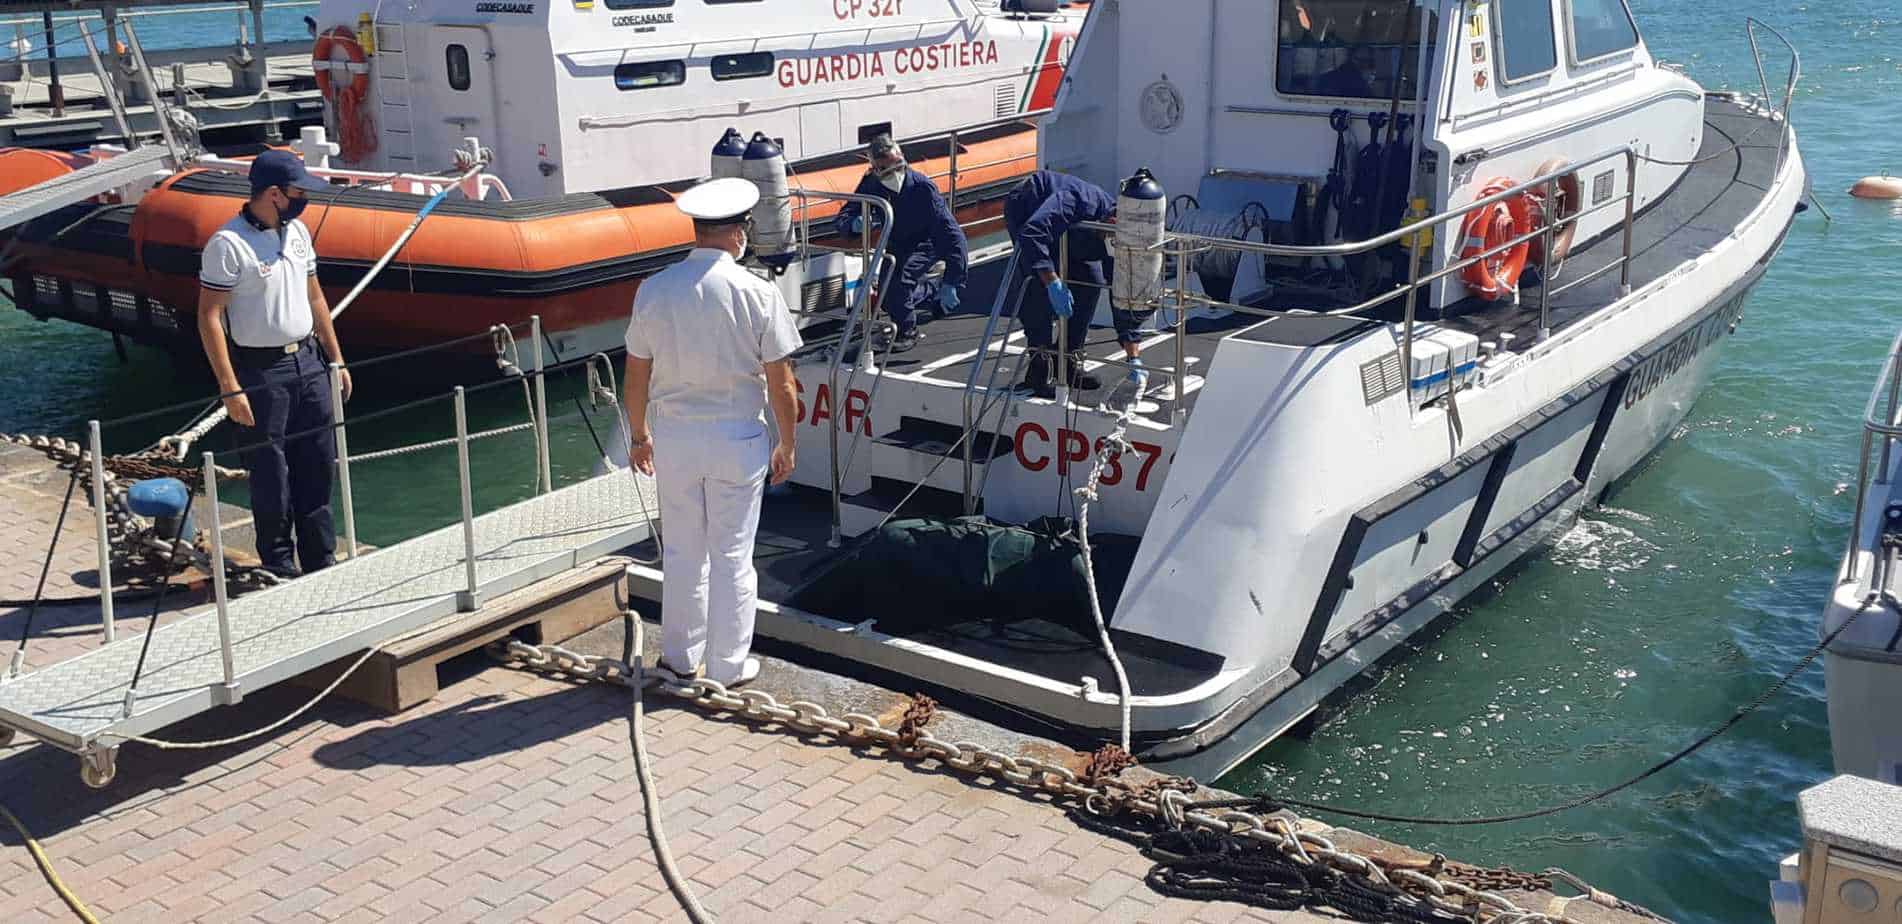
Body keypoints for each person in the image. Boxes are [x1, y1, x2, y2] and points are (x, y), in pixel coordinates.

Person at [623, 177, 803, 689]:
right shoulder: (758, 293)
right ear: (739, 233)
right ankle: (728, 666)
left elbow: (636, 374)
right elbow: (781, 383)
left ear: (697, 230)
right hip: (736, 441)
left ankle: (680, 659)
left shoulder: (654, 290)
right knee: (732, 555)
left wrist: (638, 436)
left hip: (674, 440)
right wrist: (787, 444)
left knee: (683, 553)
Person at [196, 149, 347, 579]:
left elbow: (315, 296)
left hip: (309, 363)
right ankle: (279, 566)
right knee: (271, 477)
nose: (305, 200)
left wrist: (336, 358)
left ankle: (321, 560)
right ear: (275, 194)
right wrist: (230, 388)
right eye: (299, 192)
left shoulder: (297, 232)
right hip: (262, 372)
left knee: (318, 466)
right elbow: (209, 316)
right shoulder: (228, 245)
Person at [1004, 170, 1150, 399]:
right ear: (1111, 222)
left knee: (1092, 282)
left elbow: (1119, 291)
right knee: (1037, 284)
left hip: (1070, 234)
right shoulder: (1078, 199)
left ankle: (1069, 361)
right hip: (1028, 205)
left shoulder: (1118, 239)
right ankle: (1039, 370)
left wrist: (1134, 356)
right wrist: (1052, 282)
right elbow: (1033, 233)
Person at [833, 134, 968, 354]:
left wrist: (953, 280)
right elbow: (845, 215)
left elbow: (951, 233)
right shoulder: (872, 184)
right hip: (897, 243)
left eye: (898, 165)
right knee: (888, 297)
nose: (894, 173)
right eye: (885, 169)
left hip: (927, 242)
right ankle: (932, 291)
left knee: (898, 284)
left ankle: (907, 331)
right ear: (875, 169)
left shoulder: (923, 187)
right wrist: (853, 225)